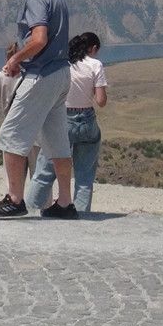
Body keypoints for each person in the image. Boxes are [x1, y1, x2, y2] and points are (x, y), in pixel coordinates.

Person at [0, 0, 76, 219]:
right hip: (61, 73)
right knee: (58, 142)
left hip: (42, 75)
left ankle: (14, 200)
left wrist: (15, 58)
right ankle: (65, 204)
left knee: (10, 134)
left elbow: (39, 39)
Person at [26, 32, 108, 213]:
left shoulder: (61, 64)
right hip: (87, 120)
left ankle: (31, 209)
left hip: (62, 117)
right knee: (84, 175)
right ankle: (80, 213)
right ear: (93, 49)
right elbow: (101, 101)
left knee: (45, 171)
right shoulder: (96, 65)